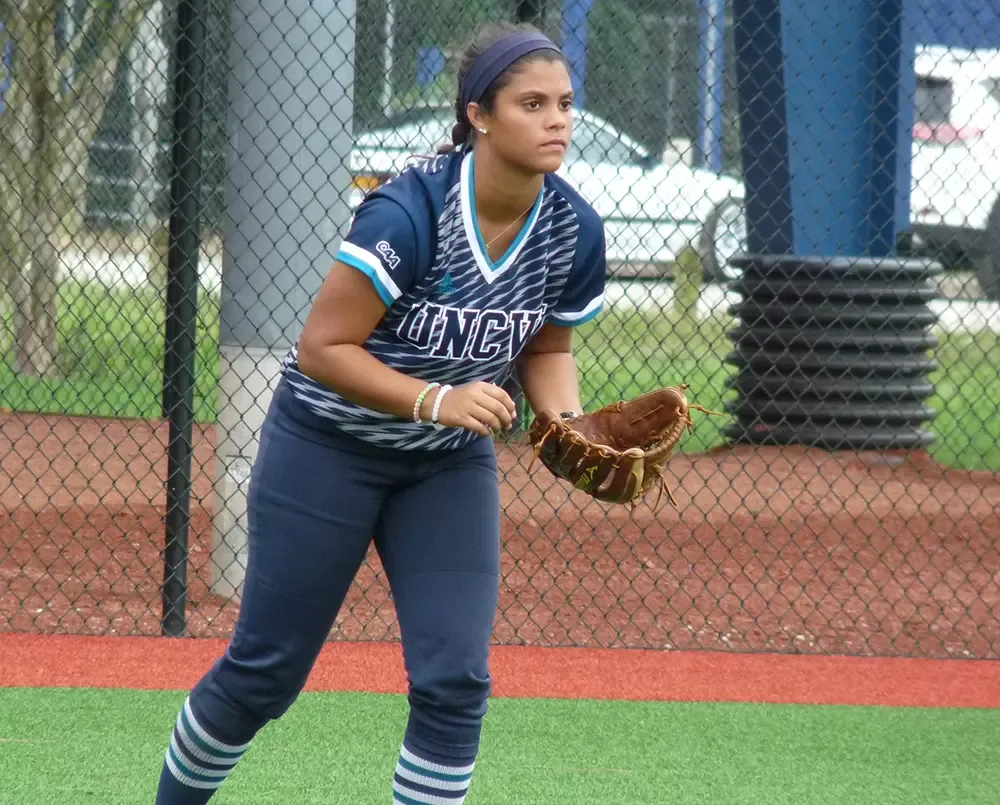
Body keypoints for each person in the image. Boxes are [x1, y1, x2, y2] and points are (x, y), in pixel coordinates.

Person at [154, 20, 607, 805]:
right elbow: (325, 346)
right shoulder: (409, 213)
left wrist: (568, 425)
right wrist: (438, 397)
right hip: (327, 448)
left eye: (564, 103)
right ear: (479, 115)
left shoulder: (573, 229)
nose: (557, 119)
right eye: (532, 103)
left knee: (455, 679)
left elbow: (546, 347)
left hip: (444, 466)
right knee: (264, 671)